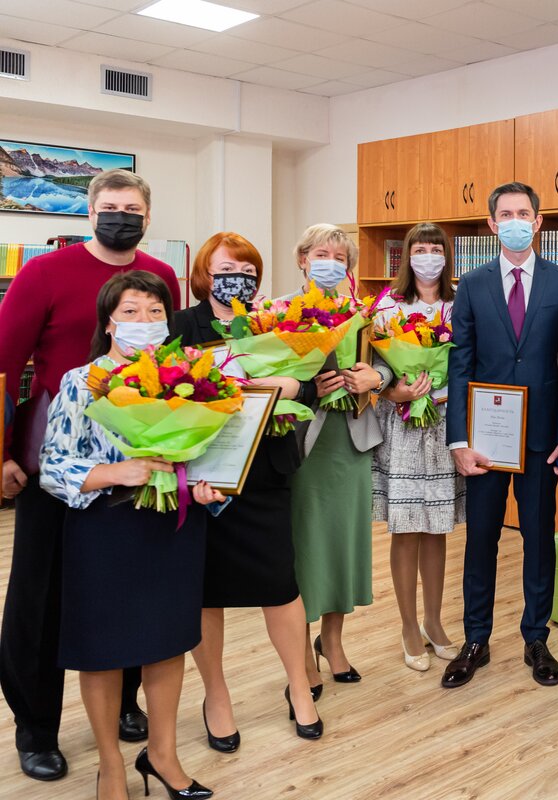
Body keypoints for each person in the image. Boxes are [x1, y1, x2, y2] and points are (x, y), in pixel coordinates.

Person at [0, 169, 179, 781]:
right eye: (110, 206)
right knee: (41, 596)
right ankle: (36, 726)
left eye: (132, 208)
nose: (120, 216)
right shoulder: (43, 273)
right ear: (90, 211)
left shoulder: (160, 276)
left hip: (139, 457)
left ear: (147, 217)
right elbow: (4, 363)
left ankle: (126, 703)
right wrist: (1, 455)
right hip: (57, 457)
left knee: (127, 585)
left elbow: (168, 366)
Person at [39, 270, 222, 800]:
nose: (145, 321)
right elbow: (53, 466)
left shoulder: (192, 381)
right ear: (109, 323)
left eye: (155, 311)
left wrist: (208, 488)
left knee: (167, 643)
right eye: (131, 311)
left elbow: (209, 450)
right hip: (105, 529)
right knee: (102, 651)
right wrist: (117, 472)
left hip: (172, 525)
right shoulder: (82, 382)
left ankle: (162, 755)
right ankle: (111, 768)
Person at [171, 232, 323, 747]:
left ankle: (299, 686)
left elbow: (314, 380)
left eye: (247, 270)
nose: (237, 278)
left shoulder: (275, 321)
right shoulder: (181, 325)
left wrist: (294, 386)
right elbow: (162, 392)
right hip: (206, 478)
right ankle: (216, 696)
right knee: (206, 592)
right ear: (204, 275)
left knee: (280, 585)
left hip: (264, 472)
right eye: (226, 269)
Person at [441, 182, 558, 689]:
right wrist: (458, 441)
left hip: (542, 440)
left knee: (539, 540)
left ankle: (536, 637)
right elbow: (460, 365)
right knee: (482, 539)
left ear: (537, 222)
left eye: (524, 213)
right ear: (492, 223)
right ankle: (475, 639)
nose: (515, 220)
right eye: (506, 214)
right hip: (486, 441)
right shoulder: (472, 285)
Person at [286, 224, 382, 690]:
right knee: (306, 546)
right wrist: (306, 385)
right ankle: (300, 654)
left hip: (351, 440)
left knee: (344, 543)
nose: (330, 263)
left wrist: (374, 378)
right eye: (321, 254)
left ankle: (333, 641)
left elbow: (388, 363)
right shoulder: (281, 312)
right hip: (305, 442)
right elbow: (266, 371)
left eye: (340, 258)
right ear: (303, 259)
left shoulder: (362, 313)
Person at [372, 223, 465, 672]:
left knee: (437, 529)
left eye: (436, 249)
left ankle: (433, 620)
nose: (428, 256)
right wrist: (398, 393)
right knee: (406, 528)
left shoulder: (459, 302)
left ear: (447, 255)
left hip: (446, 423)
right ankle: (408, 625)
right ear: (407, 256)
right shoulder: (387, 305)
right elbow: (374, 367)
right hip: (403, 424)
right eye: (420, 249)